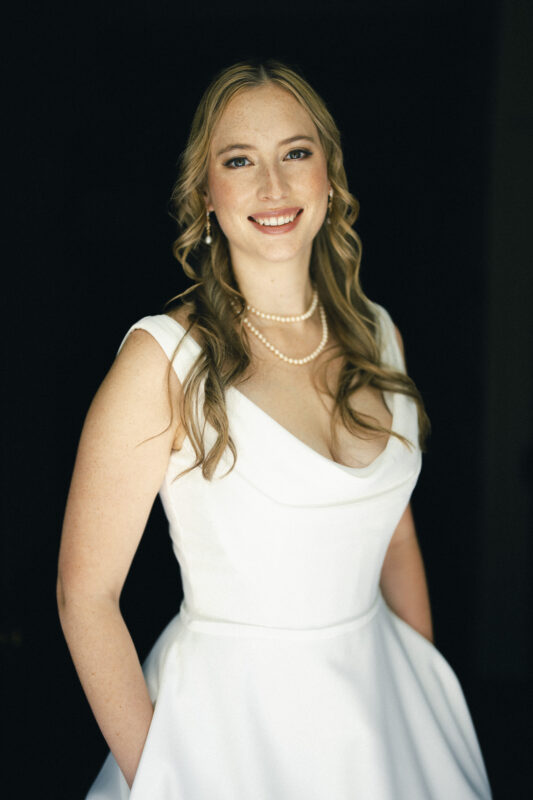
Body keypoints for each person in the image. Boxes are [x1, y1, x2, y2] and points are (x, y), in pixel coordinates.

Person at [57, 60, 492, 799]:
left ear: (329, 173)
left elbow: (394, 536)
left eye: (295, 153)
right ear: (206, 195)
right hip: (229, 730)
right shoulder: (161, 362)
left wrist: (421, 697)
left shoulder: (376, 334)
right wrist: (162, 774)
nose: (272, 188)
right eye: (238, 162)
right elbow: (85, 597)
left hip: (381, 711)